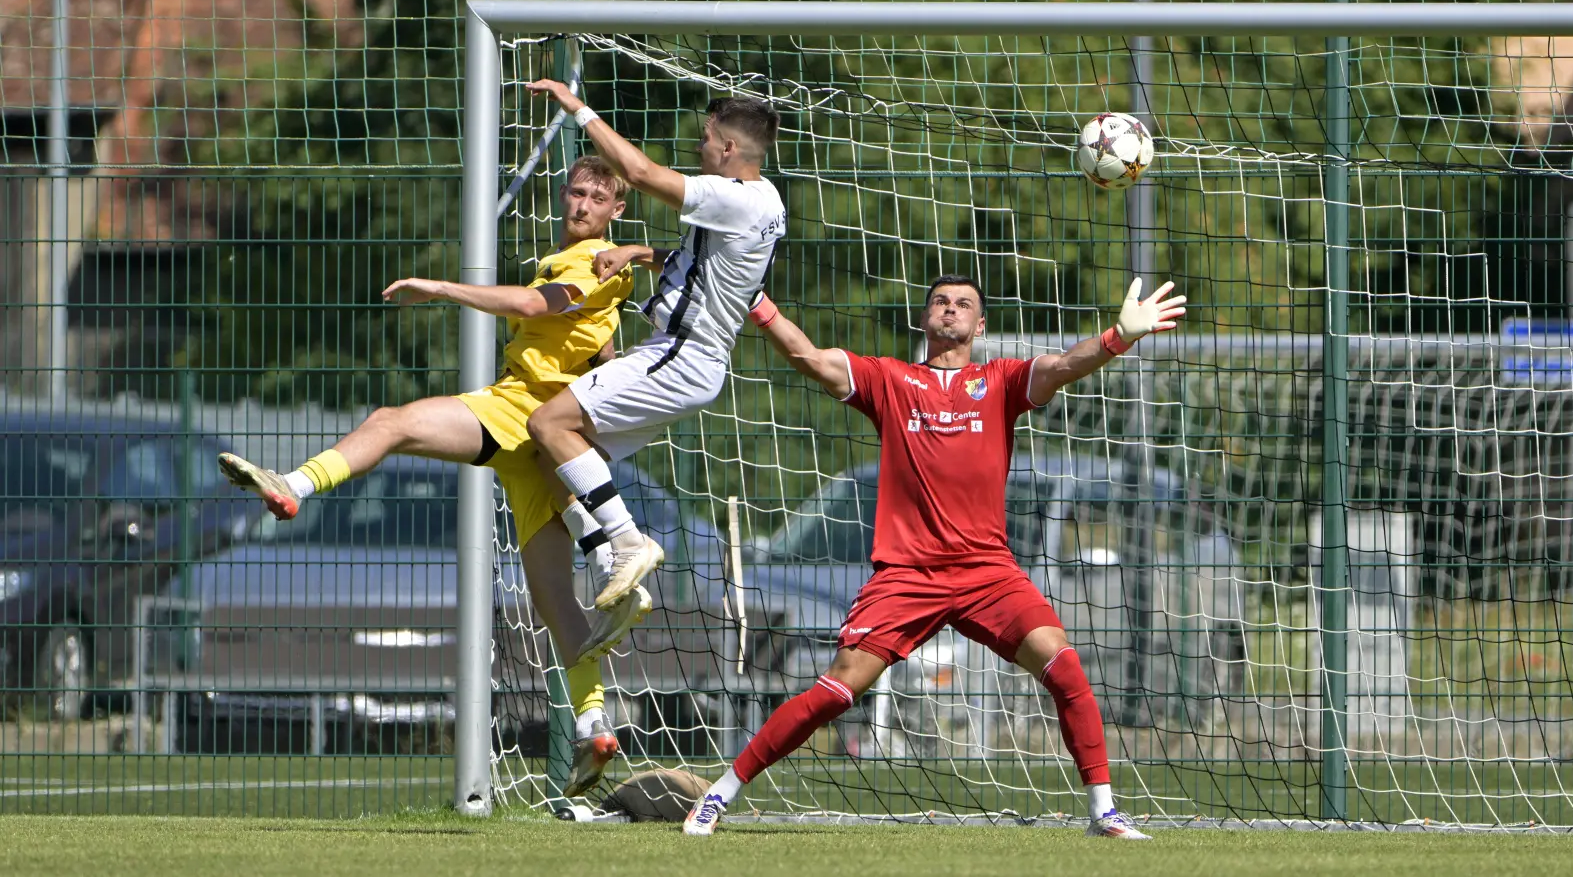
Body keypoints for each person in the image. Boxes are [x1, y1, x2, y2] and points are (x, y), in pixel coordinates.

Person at [682, 274, 1187, 838]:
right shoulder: (891, 380)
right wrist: (757, 302)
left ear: (981, 325)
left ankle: (1104, 812)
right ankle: (718, 796)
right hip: (907, 575)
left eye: (964, 304)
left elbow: (1061, 366)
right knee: (838, 689)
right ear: (925, 319)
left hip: (986, 573)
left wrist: (1118, 336)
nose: (951, 310)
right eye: (941, 303)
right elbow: (808, 356)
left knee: (1066, 668)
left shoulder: (998, 380)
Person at [215, 156, 646, 797]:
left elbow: (533, 303)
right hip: (545, 442)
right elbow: (601, 350)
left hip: (522, 410)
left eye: (596, 197)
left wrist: (442, 289)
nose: (581, 205)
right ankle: (594, 722)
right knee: (556, 604)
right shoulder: (593, 268)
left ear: (616, 211)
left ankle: (294, 486)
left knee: (390, 422)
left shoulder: (594, 261)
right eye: (575, 192)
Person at [520, 80, 785, 613]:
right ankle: (611, 578)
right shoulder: (767, 199)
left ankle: (627, 542)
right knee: (551, 459)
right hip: (687, 361)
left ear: (729, 148)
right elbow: (703, 267)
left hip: (678, 356)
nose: (699, 148)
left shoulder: (730, 196)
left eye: (707, 139)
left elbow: (639, 174)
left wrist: (578, 109)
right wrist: (640, 252)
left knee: (546, 424)